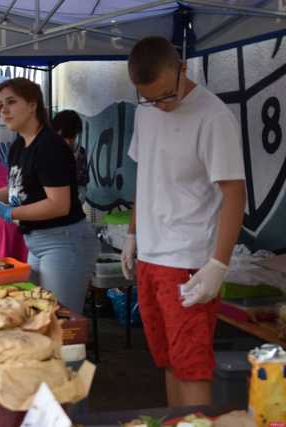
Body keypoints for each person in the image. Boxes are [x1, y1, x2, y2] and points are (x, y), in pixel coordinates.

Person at [121, 36, 246, 407]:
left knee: (192, 367)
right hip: (151, 258)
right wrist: (132, 234)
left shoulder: (213, 116)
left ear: (182, 69)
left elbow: (234, 193)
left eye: (165, 95)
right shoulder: (145, 111)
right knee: (169, 362)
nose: (160, 106)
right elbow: (147, 176)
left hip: (189, 264)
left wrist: (218, 264)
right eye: (149, 98)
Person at [0, 78, 98, 314]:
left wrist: (10, 213)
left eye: (11, 102)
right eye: (0, 105)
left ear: (32, 105)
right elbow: (14, 191)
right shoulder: (19, 146)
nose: (4, 110)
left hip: (64, 241)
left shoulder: (50, 146)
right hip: (36, 241)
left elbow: (59, 205)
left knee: (59, 320)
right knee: (36, 314)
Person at [52, 110, 89, 202]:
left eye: (73, 137)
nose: (68, 142)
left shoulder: (80, 153)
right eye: (64, 137)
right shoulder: (44, 152)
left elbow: (82, 186)